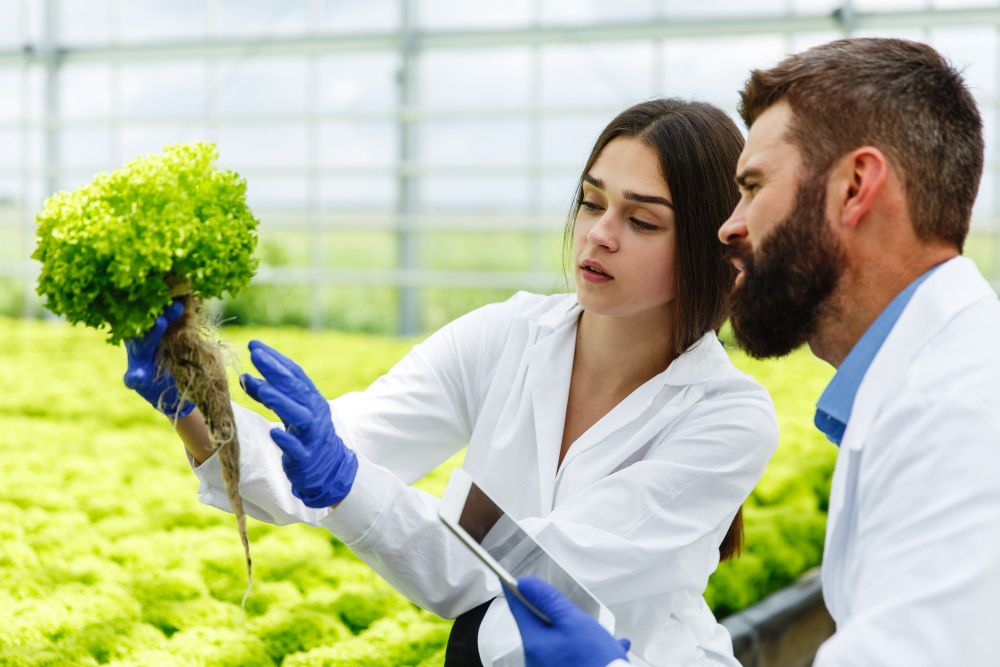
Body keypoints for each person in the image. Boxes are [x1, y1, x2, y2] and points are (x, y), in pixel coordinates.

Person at [124, 99, 780, 667]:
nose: (599, 235)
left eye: (642, 221)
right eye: (591, 202)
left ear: (710, 245)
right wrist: (193, 406)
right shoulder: (504, 336)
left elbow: (533, 575)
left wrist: (349, 483)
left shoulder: (727, 416)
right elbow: (313, 465)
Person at [499, 36, 1000, 667]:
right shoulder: (931, 383)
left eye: (754, 187)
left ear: (855, 187)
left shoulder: (957, 415)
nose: (729, 227)